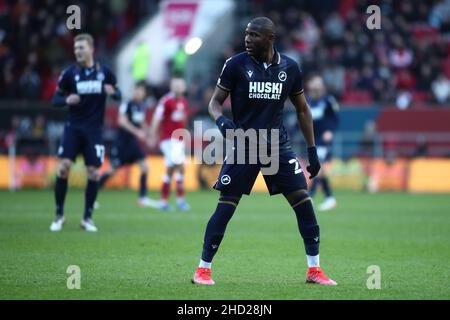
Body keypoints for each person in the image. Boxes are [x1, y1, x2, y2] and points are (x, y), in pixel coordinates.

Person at [192, 17, 336, 286]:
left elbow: (303, 109)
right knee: (225, 208)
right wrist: (221, 120)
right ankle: (202, 270)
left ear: (270, 38)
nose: (247, 39)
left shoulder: (290, 68)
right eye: (246, 34)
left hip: (276, 146)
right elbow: (215, 103)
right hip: (244, 144)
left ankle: (314, 270)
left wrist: (312, 151)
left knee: (304, 204)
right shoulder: (235, 64)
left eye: (254, 35)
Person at [50, 33, 121, 232]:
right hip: (73, 128)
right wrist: (65, 100)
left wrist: (112, 92)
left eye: (81, 48)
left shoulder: (105, 72)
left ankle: (87, 217)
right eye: (76, 48)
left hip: (94, 131)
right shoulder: (69, 74)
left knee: (94, 173)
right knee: (63, 167)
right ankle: (59, 214)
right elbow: (54, 100)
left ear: (91, 49)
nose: (78, 52)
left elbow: (119, 94)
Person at [97, 81, 159, 208]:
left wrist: (149, 134)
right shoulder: (127, 104)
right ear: (133, 91)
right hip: (122, 143)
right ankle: (91, 194)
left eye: (140, 90)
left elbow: (141, 122)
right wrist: (137, 132)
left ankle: (142, 198)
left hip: (133, 144)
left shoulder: (141, 106)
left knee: (144, 167)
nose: (138, 92)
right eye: (136, 90)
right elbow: (121, 121)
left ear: (143, 93)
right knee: (111, 170)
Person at [148, 77, 191, 212]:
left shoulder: (183, 101)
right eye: (176, 85)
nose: (179, 87)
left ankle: (165, 201)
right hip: (168, 140)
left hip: (178, 140)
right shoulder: (166, 101)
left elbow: (182, 121)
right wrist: (152, 135)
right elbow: (156, 118)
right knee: (179, 166)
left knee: (173, 169)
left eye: (181, 85)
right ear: (171, 87)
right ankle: (179, 200)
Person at [306, 75, 339, 211]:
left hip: (322, 140)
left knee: (317, 168)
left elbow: (335, 119)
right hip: (311, 140)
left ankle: (310, 197)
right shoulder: (307, 101)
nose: (316, 87)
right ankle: (330, 198)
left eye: (318, 84)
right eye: (314, 84)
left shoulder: (328, 101)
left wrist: (330, 131)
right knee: (321, 171)